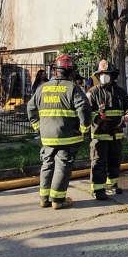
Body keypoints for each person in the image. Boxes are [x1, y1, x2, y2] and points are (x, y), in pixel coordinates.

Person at [26, 54, 89, 209]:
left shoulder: (42, 88)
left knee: (47, 164)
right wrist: (83, 129)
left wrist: (38, 126)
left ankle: (44, 198)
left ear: (55, 71)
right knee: (62, 165)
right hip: (67, 136)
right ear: (70, 72)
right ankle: (58, 200)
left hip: (46, 136)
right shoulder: (73, 88)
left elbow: (30, 107)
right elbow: (84, 108)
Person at [86, 60, 128, 200]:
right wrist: (97, 119)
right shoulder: (93, 92)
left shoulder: (120, 92)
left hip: (116, 134)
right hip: (99, 135)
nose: (103, 76)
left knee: (115, 161)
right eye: (101, 74)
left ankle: (111, 185)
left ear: (112, 75)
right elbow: (87, 111)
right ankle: (98, 189)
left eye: (106, 73)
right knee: (98, 162)